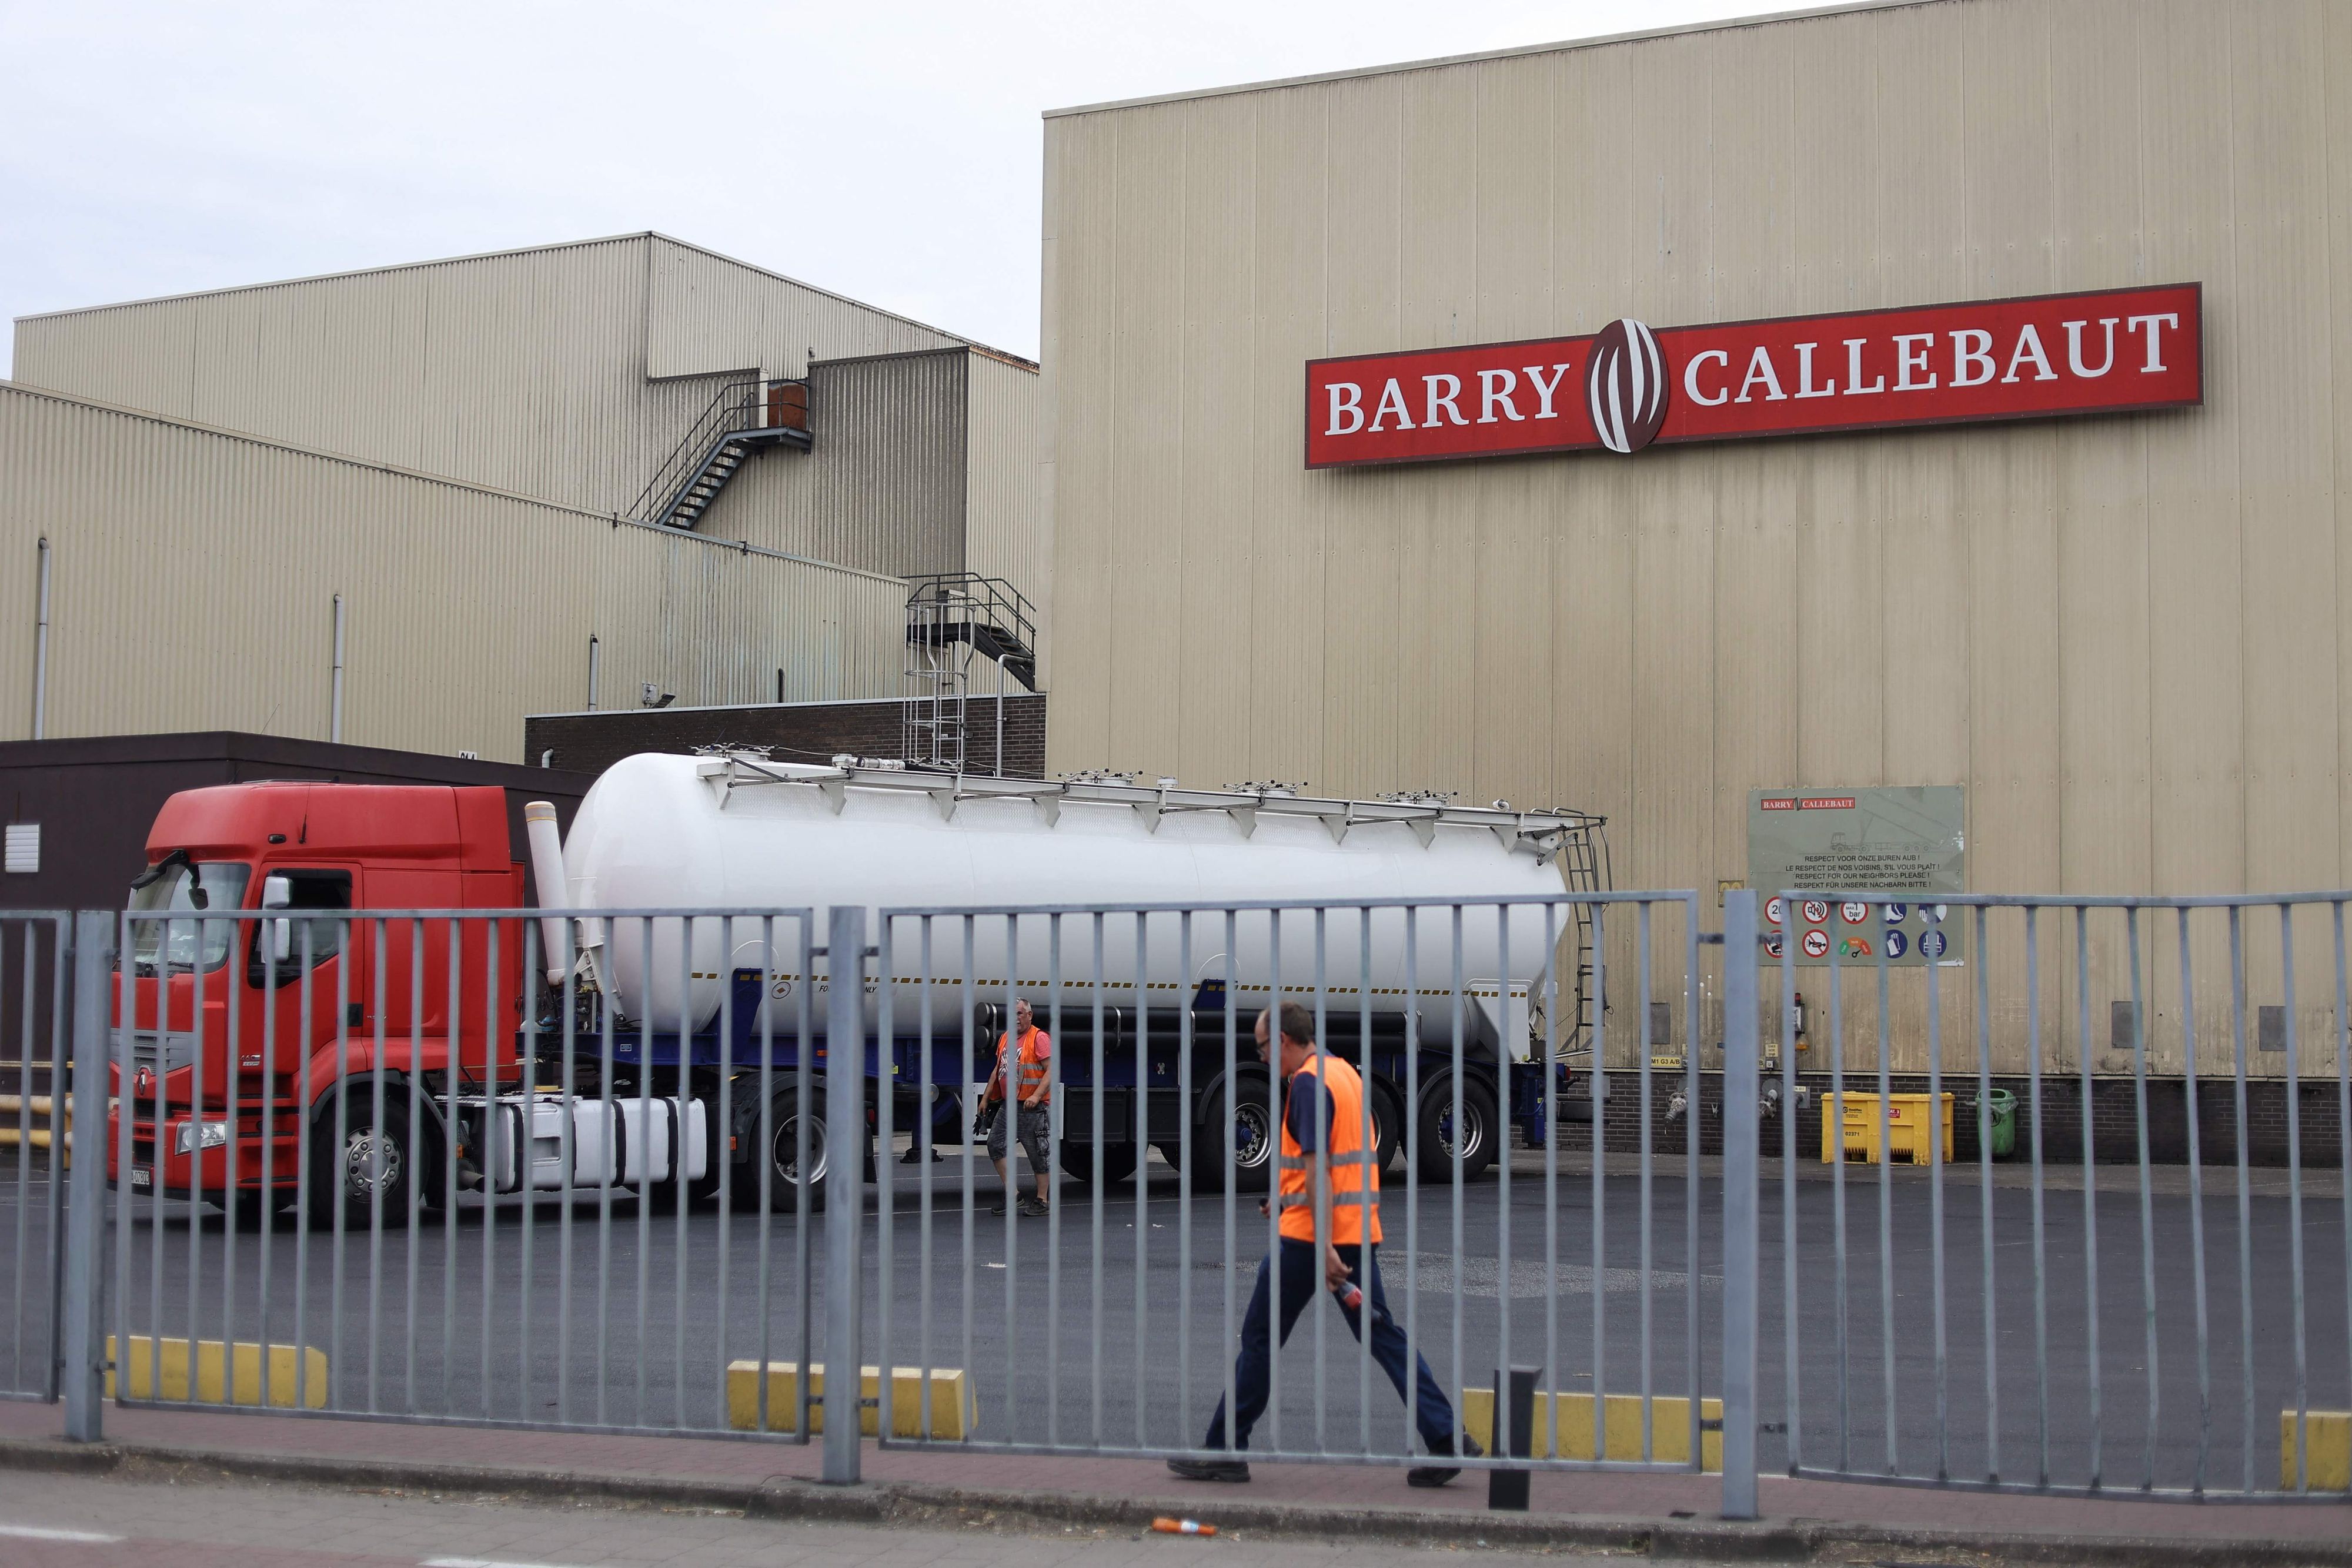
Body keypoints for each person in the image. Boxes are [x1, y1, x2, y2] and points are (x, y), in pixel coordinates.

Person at [1167, 1002, 1478, 1487]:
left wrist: (1324, 1245)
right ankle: (1446, 1437)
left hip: (1312, 1240)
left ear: (1286, 1042)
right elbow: (1336, 1162)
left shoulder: (1308, 1085)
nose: (1265, 1058)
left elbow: (1318, 1166)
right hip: (1355, 1232)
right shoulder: (1345, 1074)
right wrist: (1287, 1196)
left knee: (1259, 1339)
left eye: (1265, 1048)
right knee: (1383, 1335)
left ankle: (1225, 1449)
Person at [981, 997, 1053, 1218]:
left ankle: (1042, 1200)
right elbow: (998, 1070)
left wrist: (1037, 1095)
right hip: (1008, 1105)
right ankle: (1013, 1195)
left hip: (1032, 1107)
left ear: (1029, 1015)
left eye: (1020, 1014)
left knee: (1038, 1154)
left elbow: (1052, 1070)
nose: (1016, 1019)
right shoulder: (1006, 1038)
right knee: (995, 1145)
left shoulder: (1039, 1038)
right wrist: (985, 1099)